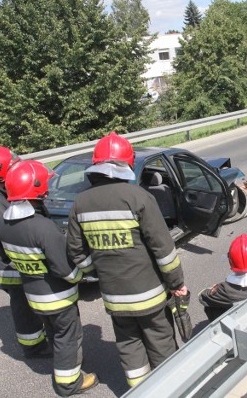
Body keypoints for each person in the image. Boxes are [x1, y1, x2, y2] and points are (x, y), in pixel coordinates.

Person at [66, 132, 188, 389]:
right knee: (161, 342)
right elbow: (163, 250)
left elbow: (76, 253)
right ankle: (171, 390)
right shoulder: (139, 197)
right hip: (151, 296)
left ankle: (140, 392)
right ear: (127, 165)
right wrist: (176, 282)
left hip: (114, 297)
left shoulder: (80, 202)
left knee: (129, 346)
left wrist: (98, 271)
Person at [0, 160, 98, 396]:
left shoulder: (0, 224)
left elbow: (3, 256)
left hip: (32, 294)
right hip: (58, 296)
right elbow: (66, 270)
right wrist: (84, 276)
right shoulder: (43, 228)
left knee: (54, 332)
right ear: (36, 189)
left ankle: (62, 363)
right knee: (68, 335)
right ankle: (69, 383)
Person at [0, 146, 51, 358]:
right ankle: (34, 346)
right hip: (11, 264)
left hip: (13, 260)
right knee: (23, 307)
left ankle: (38, 337)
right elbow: (9, 235)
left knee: (29, 304)